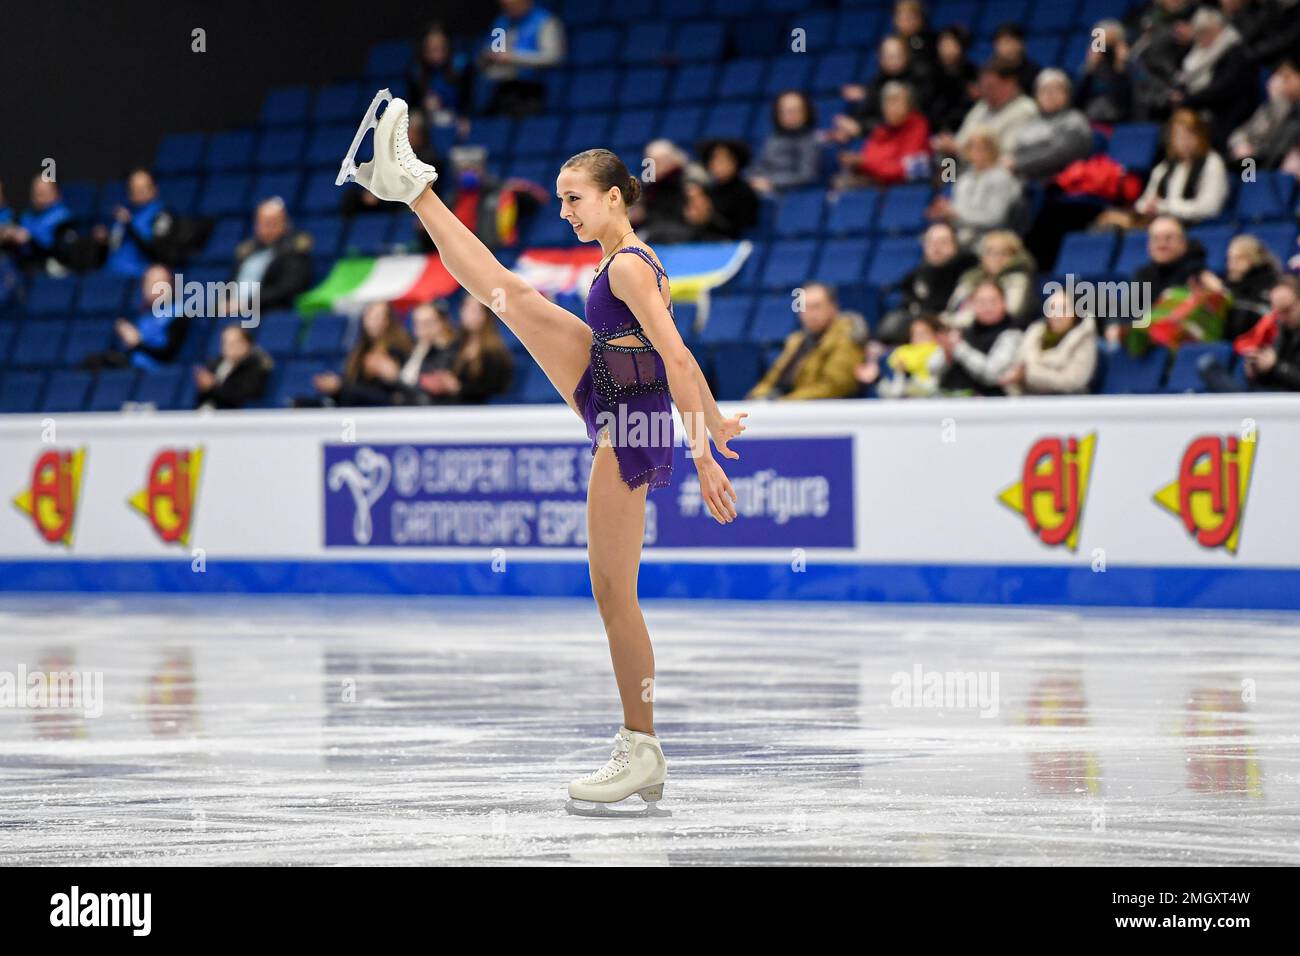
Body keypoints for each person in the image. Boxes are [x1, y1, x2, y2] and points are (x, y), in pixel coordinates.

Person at [346, 97, 743, 812]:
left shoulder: (627, 267)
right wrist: (715, 422)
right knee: (509, 294)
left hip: (633, 422)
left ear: (615, 196)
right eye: (560, 200)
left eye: (574, 199)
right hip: (611, 383)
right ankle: (413, 188)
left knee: (614, 595)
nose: (564, 212)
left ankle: (641, 748)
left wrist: (705, 448)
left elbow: (679, 356)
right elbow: (672, 355)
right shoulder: (624, 262)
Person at [746, 283, 862, 400]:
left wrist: (784, 403)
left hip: (817, 411)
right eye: (804, 308)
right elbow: (772, 379)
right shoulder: (796, 340)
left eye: (816, 307)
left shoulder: (847, 337)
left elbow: (835, 386)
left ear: (833, 308)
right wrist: (757, 396)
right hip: (784, 406)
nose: (810, 314)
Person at [877, 221, 977, 344]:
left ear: (955, 245)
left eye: (943, 242)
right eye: (931, 242)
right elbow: (906, 308)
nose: (936, 247)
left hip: (956, 338)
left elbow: (969, 317)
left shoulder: (970, 275)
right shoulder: (915, 276)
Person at [1168, 6, 1255, 149]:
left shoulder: (1235, 52)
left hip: (1227, 113)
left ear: (1220, 29)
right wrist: (1179, 94)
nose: (1203, 38)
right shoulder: (1197, 52)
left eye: (1207, 32)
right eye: (1199, 33)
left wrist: (1188, 100)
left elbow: (1222, 88)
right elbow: (1183, 77)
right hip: (1199, 107)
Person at [1200, 275, 1300, 391]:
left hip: (1290, 401)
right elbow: (1270, 380)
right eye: (1278, 313)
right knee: (1207, 365)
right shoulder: (1283, 330)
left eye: (1287, 310)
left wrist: (1277, 366)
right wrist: (1258, 371)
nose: (1282, 318)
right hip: (1271, 397)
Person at [83, 264, 190, 372]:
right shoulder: (144, 315)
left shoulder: (180, 313)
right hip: (133, 368)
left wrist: (137, 343)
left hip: (157, 373)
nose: (154, 289)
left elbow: (169, 355)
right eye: (149, 283)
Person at [1131, 109, 1230, 224]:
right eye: (1178, 135)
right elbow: (1143, 203)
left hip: (1196, 226)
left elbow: (1210, 208)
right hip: (1162, 223)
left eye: (1188, 135)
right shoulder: (1164, 167)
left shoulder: (1212, 162)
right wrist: (1148, 206)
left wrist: (1165, 207)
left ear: (1200, 136)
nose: (1183, 141)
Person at [928, 128, 1022, 247]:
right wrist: (944, 213)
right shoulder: (963, 179)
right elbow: (957, 212)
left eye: (983, 148)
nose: (977, 152)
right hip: (960, 238)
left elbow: (994, 218)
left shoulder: (1002, 179)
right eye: (972, 147)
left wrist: (956, 214)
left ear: (994, 150)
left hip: (987, 239)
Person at [306, 301, 412, 406]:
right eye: (370, 316)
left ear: (389, 321)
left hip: (380, 408)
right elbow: (352, 382)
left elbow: (392, 394)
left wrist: (393, 377)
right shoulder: (361, 349)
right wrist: (335, 386)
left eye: (380, 317)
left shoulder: (397, 349)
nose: (374, 321)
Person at [476, 0, 566, 117]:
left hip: (532, 90)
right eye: (505, 6)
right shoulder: (500, 23)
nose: (509, 9)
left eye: (513, 5)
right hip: (502, 88)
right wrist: (487, 59)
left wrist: (514, 57)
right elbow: (496, 54)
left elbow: (553, 57)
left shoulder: (545, 21)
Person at [1000, 289, 1098, 395]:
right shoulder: (1035, 333)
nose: (1056, 315)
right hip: (1028, 402)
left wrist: (1028, 374)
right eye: (1052, 308)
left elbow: (1073, 381)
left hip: (1069, 404)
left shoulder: (1084, 337)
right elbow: (1017, 367)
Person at [935, 58, 1038, 158]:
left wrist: (959, 150)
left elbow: (1006, 153)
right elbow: (961, 139)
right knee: (944, 162)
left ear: (1010, 83)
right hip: (968, 170)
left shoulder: (1025, 109)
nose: (984, 92)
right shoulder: (983, 105)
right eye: (982, 86)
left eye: (990, 86)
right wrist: (950, 145)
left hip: (1000, 172)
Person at [837, 82, 931, 188]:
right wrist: (857, 164)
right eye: (886, 102)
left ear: (910, 104)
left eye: (895, 101)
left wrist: (866, 164)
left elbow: (906, 170)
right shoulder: (880, 131)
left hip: (907, 189)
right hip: (878, 185)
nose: (889, 107)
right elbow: (870, 160)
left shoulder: (918, 126)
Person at [1005, 69, 1094, 182]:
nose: (1050, 94)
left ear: (1067, 94)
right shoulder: (1032, 122)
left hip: (1051, 183)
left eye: (1056, 89)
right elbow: (1016, 150)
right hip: (1021, 178)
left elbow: (1059, 155)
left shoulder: (1074, 121)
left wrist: (1019, 163)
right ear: (1036, 96)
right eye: (1044, 90)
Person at [938, 279, 1024, 395]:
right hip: (952, 398)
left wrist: (959, 348)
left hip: (991, 404)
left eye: (993, 301)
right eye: (982, 302)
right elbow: (933, 369)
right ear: (971, 304)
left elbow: (992, 374)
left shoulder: (1013, 333)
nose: (988, 307)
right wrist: (945, 353)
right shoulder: (962, 331)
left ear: (1004, 302)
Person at [231, 198, 313, 312]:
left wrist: (248, 304)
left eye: (270, 223)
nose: (264, 228)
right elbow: (231, 282)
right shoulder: (248, 250)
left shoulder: (294, 250)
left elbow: (287, 289)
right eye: (260, 223)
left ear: (284, 223)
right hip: (235, 309)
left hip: (267, 312)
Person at [944, 230, 1038, 329]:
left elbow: (1009, 313)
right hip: (959, 327)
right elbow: (952, 306)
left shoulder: (1018, 280)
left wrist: (955, 322)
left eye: (1003, 253)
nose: (996, 258)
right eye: (990, 252)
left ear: (1014, 257)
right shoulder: (971, 277)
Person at [442, 296, 515, 403]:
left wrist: (459, 388)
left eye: (473, 310)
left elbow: (496, 388)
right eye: (465, 308)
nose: (467, 314)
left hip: (482, 411)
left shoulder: (495, 352)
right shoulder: (456, 344)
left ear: (486, 315)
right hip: (456, 408)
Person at [748, 91, 822, 195]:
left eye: (794, 110)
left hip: (790, 193)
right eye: (784, 111)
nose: (789, 115)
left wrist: (771, 182)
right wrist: (750, 180)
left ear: (806, 112)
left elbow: (806, 176)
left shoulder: (810, 140)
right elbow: (759, 166)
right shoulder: (773, 138)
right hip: (763, 187)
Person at [0, 176, 76, 274]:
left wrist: (30, 239)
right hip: (23, 269)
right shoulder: (26, 216)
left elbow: (61, 251)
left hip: (50, 270)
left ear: (55, 193)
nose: (38, 196)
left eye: (43, 192)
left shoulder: (64, 218)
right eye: (35, 192)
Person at [686, 139, 759, 240]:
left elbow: (740, 230)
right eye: (713, 159)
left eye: (723, 160)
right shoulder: (709, 190)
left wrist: (708, 216)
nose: (716, 165)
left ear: (736, 161)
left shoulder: (745, 193)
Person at [194, 324, 272, 410]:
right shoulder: (215, 364)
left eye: (232, 343)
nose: (227, 347)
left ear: (246, 344)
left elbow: (245, 396)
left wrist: (213, 387)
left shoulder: (256, 366)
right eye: (225, 342)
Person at [1076, 19, 1134, 125]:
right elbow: (1077, 103)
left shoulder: (1130, 69)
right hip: (1090, 121)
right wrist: (1090, 68)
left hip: (1121, 122)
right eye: (1103, 44)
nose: (1107, 49)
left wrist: (1121, 67)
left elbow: (1129, 102)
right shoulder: (1090, 71)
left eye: (1112, 44)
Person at [929, 26, 977, 135]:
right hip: (935, 131)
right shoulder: (929, 72)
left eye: (951, 43)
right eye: (943, 43)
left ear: (962, 46)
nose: (946, 47)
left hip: (964, 130)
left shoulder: (973, 73)